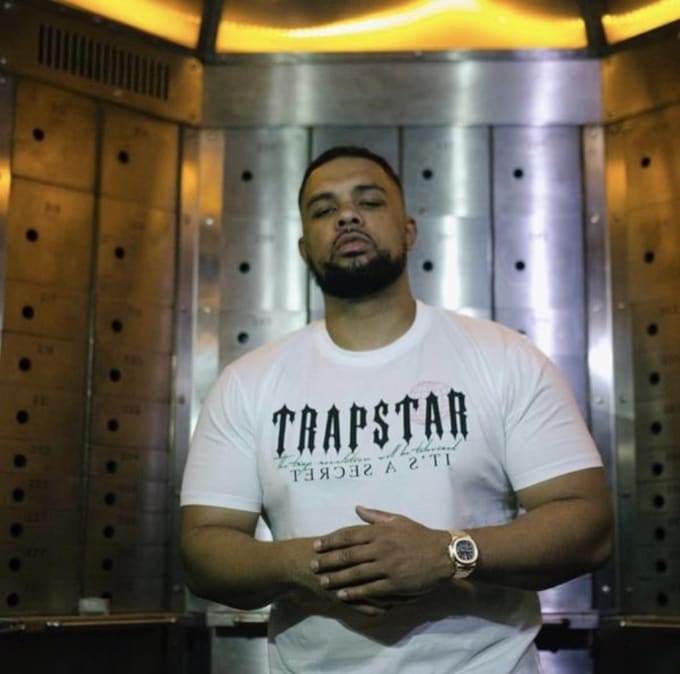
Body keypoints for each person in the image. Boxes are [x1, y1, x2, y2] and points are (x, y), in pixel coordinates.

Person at [180, 146, 613, 673]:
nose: (347, 216)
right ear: (303, 247)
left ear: (409, 232)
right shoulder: (247, 384)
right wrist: (305, 564)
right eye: (324, 209)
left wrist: (448, 555)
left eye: (369, 201)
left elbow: (589, 524)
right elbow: (203, 551)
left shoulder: (504, 358)